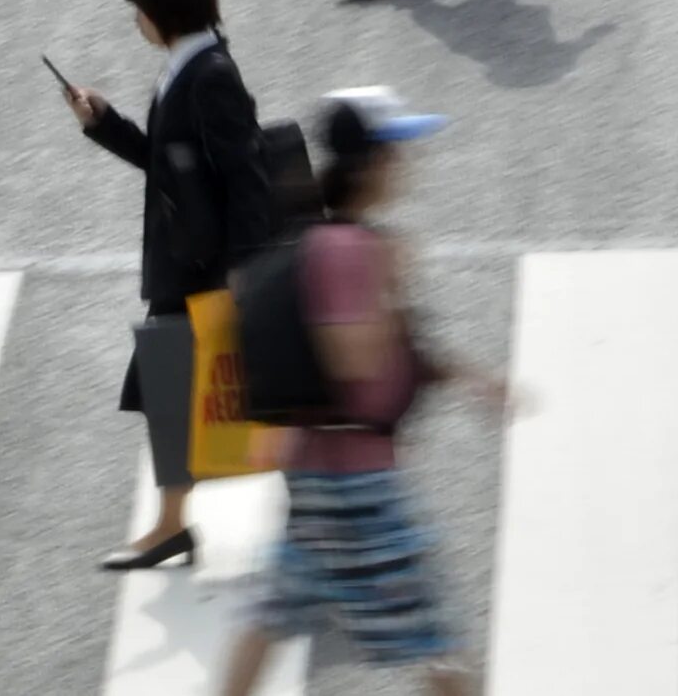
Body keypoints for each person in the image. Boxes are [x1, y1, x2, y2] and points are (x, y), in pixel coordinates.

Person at [216, 89, 505, 696]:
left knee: (272, 612)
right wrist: (390, 280)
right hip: (355, 485)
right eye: (399, 152)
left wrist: (472, 380)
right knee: (439, 640)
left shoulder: (340, 240)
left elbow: (401, 353)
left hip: (324, 473)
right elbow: (352, 359)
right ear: (373, 162)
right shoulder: (348, 248)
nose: (407, 165)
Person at [64, 0, 271, 572]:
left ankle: (314, 513)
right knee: (174, 391)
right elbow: (171, 164)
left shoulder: (208, 75)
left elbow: (246, 177)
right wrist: (105, 124)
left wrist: (243, 274)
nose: (136, 22)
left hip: (206, 268)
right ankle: (170, 527)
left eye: (140, 10)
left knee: (241, 395)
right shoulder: (191, 63)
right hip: (191, 262)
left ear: (166, 11)